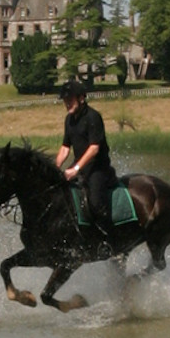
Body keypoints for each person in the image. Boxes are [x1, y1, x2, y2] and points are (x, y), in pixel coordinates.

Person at [55, 80, 118, 248]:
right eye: (65, 100)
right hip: (80, 167)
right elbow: (65, 148)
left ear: (81, 98)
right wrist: (55, 168)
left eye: (70, 99)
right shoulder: (69, 120)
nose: (67, 103)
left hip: (98, 169)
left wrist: (75, 169)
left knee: (95, 203)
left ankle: (110, 241)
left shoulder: (93, 117)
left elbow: (94, 148)